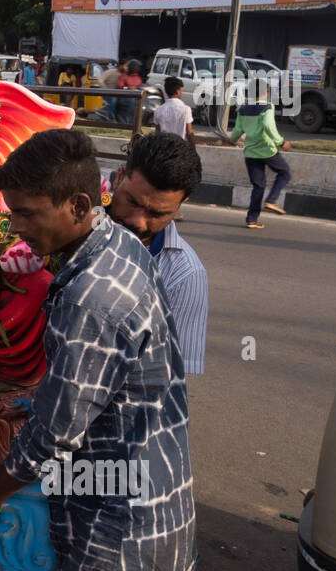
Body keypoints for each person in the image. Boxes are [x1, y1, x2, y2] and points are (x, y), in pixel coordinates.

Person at [0, 128, 196, 571]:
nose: (16, 229)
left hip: (122, 534)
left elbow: (57, 431)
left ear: (80, 205)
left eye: (27, 214)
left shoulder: (91, 297)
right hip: (137, 505)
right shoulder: (119, 245)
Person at [109, 132, 207, 374]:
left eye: (157, 214)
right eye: (132, 202)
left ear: (180, 205)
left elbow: (172, 376)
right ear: (118, 178)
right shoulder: (72, 224)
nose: (138, 222)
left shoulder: (185, 274)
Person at [228, 94, 291, 228]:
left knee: (258, 186)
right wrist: (281, 142)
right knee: (284, 172)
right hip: (267, 150)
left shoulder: (243, 109)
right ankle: (271, 200)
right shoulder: (267, 106)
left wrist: (232, 139)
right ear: (265, 92)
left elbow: (238, 130)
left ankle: (252, 219)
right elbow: (268, 126)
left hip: (250, 152)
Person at [153, 76, 194, 143]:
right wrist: (193, 149)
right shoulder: (186, 110)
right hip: (180, 147)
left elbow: (157, 133)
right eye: (181, 90)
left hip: (164, 148)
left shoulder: (159, 110)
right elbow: (189, 133)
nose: (181, 93)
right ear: (177, 92)